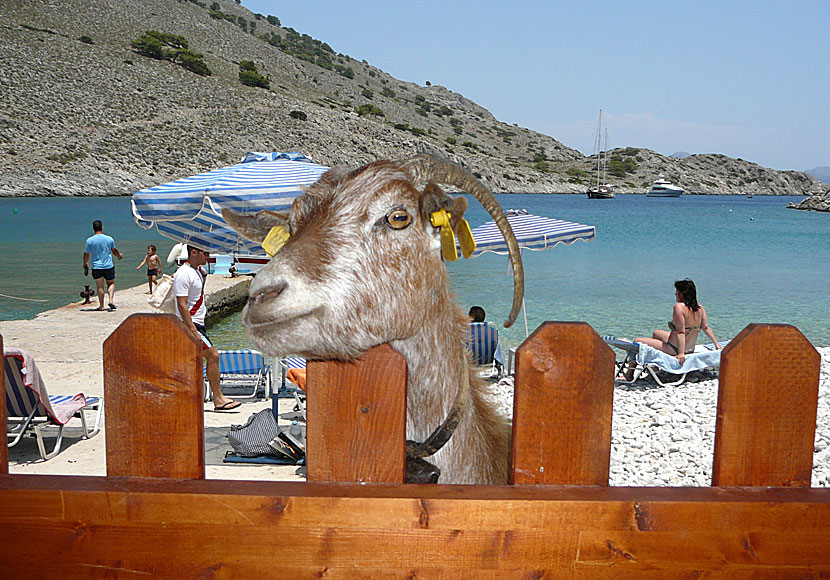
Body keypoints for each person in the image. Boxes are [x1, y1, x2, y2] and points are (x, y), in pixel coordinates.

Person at [173, 244, 240, 411]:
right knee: (213, 356)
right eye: (206, 253)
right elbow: (182, 305)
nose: (208, 257)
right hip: (190, 325)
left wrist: (204, 278)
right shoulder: (183, 274)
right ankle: (218, 399)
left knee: (189, 362)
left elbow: (196, 296)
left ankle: (186, 398)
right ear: (194, 252)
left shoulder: (196, 271)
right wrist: (192, 330)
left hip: (198, 324)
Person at [620, 279, 721, 379]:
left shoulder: (679, 307)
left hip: (675, 349)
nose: (675, 294)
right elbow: (706, 327)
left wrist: (681, 353)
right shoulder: (699, 307)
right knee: (657, 333)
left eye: (676, 292)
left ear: (682, 294)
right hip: (690, 348)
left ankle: (629, 374)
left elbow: (680, 332)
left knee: (636, 342)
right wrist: (717, 345)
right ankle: (656, 368)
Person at [82, 220, 124, 311]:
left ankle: (101, 306)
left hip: (97, 267)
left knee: (100, 286)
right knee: (111, 283)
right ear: (102, 227)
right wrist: (119, 256)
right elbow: (114, 250)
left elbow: (86, 254)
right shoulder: (109, 239)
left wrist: (85, 263)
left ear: (93, 228)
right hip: (108, 266)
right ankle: (111, 300)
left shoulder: (90, 240)